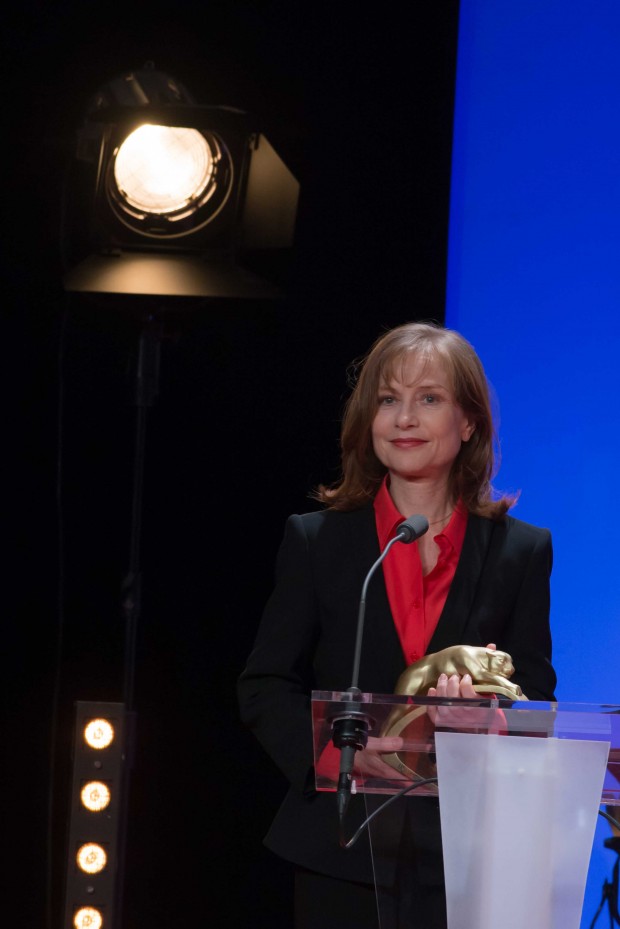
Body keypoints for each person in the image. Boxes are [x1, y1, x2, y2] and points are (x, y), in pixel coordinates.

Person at [237, 321, 556, 929]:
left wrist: (486, 719)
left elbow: (536, 696)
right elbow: (264, 684)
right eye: (389, 400)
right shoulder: (317, 541)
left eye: (429, 399)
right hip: (340, 847)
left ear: (468, 425)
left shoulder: (521, 552)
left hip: (467, 852)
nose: (404, 418)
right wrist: (339, 754)